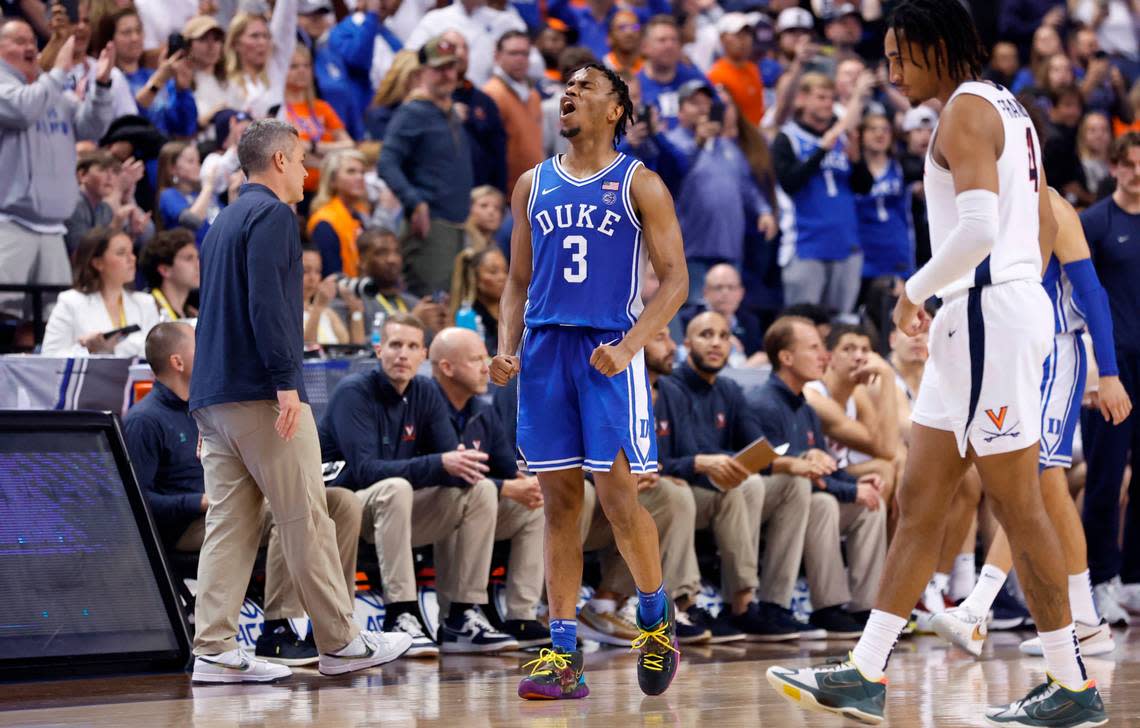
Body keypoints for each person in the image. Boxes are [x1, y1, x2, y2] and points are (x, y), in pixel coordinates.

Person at [766, 2, 1108, 724]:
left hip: (987, 313)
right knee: (920, 500)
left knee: (1019, 502)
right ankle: (864, 669)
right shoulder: (1006, 107)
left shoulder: (964, 110)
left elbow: (982, 228)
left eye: (898, 56)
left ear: (933, 47)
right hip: (974, 320)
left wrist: (912, 291)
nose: (891, 71)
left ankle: (1071, 683)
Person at [188, 119, 411, 683]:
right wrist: (287, 383)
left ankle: (212, 647)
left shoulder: (219, 223)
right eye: (304, 159)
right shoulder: (273, 216)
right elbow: (270, 306)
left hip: (214, 397)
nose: (309, 171)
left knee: (230, 526)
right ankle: (341, 642)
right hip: (262, 392)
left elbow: (212, 316)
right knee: (306, 516)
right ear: (280, 160)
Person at [491, 62, 688, 699]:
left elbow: (675, 279)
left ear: (615, 110)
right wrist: (506, 349)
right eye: (565, 88)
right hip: (545, 352)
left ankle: (656, 621)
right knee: (558, 506)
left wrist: (631, 346)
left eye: (585, 87)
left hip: (607, 350)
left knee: (618, 499)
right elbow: (517, 282)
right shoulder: (531, 184)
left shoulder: (641, 183)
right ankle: (562, 652)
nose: (569, 93)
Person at [932, 187, 1132, 658]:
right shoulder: (990, 203)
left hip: (1055, 351)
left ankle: (977, 608)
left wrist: (1108, 373)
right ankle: (1084, 621)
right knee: (1049, 489)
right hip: (1015, 352)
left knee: (1032, 477)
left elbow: (1093, 295)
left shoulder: (1055, 209)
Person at [125, 322, 367, 667]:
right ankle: (278, 628)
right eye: (201, 344)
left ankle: (331, 623)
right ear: (178, 362)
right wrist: (197, 501)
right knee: (288, 511)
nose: (212, 349)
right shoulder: (145, 420)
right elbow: (135, 502)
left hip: (229, 508)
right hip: (186, 525)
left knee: (340, 501)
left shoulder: (211, 405)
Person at [318, 313, 517, 656]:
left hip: (400, 511)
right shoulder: (354, 393)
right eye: (395, 345)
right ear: (378, 349)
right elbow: (365, 471)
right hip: (348, 510)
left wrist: (450, 464)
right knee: (396, 487)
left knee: (480, 489)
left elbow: (451, 463)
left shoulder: (424, 391)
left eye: (412, 346)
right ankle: (400, 613)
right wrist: (439, 464)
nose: (402, 354)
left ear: (423, 355)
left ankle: (461, 615)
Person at [661, 312, 811, 640]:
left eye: (724, 335)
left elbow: (759, 445)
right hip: (687, 488)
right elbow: (687, 453)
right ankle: (740, 602)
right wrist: (723, 463)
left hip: (720, 488)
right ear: (687, 345)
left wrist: (798, 459)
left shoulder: (729, 389)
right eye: (706, 335)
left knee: (794, 485)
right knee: (749, 485)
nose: (716, 342)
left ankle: (774, 603)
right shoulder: (673, 386)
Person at [752, 317, 888, 638]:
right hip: (770, 502)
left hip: (807, 497)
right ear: (786, 358)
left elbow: (825, 468)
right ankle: (827, 607)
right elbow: (789, 472)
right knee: (824, 502)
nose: (823, 356)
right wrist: (847, 490)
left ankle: (865, 605)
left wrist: (858, 486)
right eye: (814, 348)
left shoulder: (806, 408)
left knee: (871, 503)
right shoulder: (763, 404)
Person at [429, 327, 549, 647]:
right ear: (446, 368)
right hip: (427, 504)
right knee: (475, 494)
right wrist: (504, 488)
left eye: (486, 358)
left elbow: (507, 469)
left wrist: (529, 485)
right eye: (475, 360)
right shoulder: (427, 401)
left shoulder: (481, 408)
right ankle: (459, 614)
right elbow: (448, 476)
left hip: (471, 503)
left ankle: (521, 616)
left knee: (533, 502)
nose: (487, 367)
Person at [0, 20, 115, 319]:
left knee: (49, 320)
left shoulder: (51, 93)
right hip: (9, 224)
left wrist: (101, 86)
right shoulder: (15, 89)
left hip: (52, 229)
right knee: (4, 316)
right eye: (18, 41)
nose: (29, 47)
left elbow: (91, 126)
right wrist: (59, 72)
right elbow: (23, 109)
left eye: (32, 41)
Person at [1079, 132, 1140, 622]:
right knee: (1104, 476)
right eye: (1129, 164)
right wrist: (1096, 371)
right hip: (1113, 368)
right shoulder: (1095, 223)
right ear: (1114, 167)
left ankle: (1135, 577)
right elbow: (1081, 301)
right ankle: (1100, 579)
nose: (1137, 173)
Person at [772, 71, 876, 314]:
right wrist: (821, 149)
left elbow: (864, 187)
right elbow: (790, 183)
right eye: (820, 97)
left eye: (831, 98)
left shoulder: (842, 139)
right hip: (805, 245)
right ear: (802, 99)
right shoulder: (787, 138)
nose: (827, 104)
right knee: (803, 324)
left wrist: (857, 160)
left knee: (841, 325)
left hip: (846, 245)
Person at [378, 36, 473, 297]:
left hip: (457, 226)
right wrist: (414, 202)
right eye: (439, 69)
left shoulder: (448, 110)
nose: (447, 75)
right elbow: (386, 162)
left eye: (451, 67)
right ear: (422, 73)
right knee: (432, 306)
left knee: (453, 306)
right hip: (431, 229)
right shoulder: (413, 112)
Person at [42, 226, 161, 357]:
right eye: (121, 253)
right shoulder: (70, 302)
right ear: (98, 263)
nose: (132, 258)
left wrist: (115, 348)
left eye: (131, 252)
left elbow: (157, 354)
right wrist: (89, 350)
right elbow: (49, 357)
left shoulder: (145, 302)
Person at [283, 45, 354, 202]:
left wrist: (313, 147)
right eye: (294, 66)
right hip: (296, 193)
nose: (302, 71)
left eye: (306, 66)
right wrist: (331, 158)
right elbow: (292, 154)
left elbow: (349, 144)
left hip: (327, 189)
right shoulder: (280, 111)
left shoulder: (321, 107)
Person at [443, 30, 507, 195]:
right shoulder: (429, 99)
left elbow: (499, 153)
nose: (460, 53)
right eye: (454, 47)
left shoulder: (484, 101)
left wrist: (499, 195)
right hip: (443, 195)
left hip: (481, 196)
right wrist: (445, 116)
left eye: (465, 48)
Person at [353, 227, 450, 336]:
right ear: (361, 260)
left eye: (397, 252)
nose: (392, 259)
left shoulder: (413, 303)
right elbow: (352, 349)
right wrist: (412, 323)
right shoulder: (351, 301)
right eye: (381, 253)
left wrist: (442, 329)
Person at [483, 30, 543, 195]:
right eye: (513, 53)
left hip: (532, 191)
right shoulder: (491, 94)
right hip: (504, 194)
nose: (520, 59)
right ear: (497, 56)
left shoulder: (533, 95)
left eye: (525, 53)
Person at [65, 150, 151, 255]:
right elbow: (79, 258)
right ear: (82, 175)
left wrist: (133, 234)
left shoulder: (104, 208)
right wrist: (116, 224)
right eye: (103, 170)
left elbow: (114, 253)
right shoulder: (74, 205)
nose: (110, 177)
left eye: (114, 172)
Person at [222, 0, 298, 118]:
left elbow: (286, 16)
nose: (262, 42)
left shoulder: (275, 69)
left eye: (266, 36)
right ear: (235, 43)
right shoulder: (224, 81)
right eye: (254, 36)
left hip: (281, 136)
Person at [636, 15, 707, 130]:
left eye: (674, 40)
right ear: (644, 47)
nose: (670, 45)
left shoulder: (694, 78)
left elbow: (718, 108)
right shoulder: (635, 87)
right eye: (662, 40)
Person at [306, 149, 370, 277]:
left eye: (362, 172)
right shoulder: (324, 222)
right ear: (332, 181)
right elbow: (331, 275)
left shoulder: (359, 215)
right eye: (351, 171)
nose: (360, 177)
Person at [706, 13, 764, 127]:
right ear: (722, 39)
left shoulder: (753, 68)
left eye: (747, 34)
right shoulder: (716, 75)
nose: (744, 40)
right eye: (738, 35)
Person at [155, 141, 217, 246]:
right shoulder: (168, 195)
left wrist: (233, 192)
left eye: (198, 161)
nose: (198, 166)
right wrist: (208, 186)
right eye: (191, 161)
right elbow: (194, 221)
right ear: (172, 169)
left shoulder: (200, 193)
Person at [447, 246, 506, 354]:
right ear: (475, 278)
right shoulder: (467, 316)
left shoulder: (514, 314)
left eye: (505, 271)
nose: (502, 277)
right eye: (493, 272)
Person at [302, 247, 363, 346]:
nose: (312, 278)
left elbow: (355, 348)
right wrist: (318, 307)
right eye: (305, 271)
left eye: (317, 271)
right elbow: (307, 350)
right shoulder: (283, 314)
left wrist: (356, 311)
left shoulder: (329, 314)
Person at [139, 228, 199, 320]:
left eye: (197, 258)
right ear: (165, 270)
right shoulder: (145, 310)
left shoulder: (193, 313)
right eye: (189, 258)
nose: (198, 265)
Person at [183, 15, 228, 129]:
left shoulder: (230, 82)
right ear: (188, 46)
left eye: (216, 39)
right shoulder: (181, 84)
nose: (211, 46)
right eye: (203, 39)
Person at [464, 185, 505, 251]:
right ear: (469, 208)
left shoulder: (495, 247)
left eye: (497, 208)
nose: (491, 212)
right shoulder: (459, 240)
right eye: (484, 206)